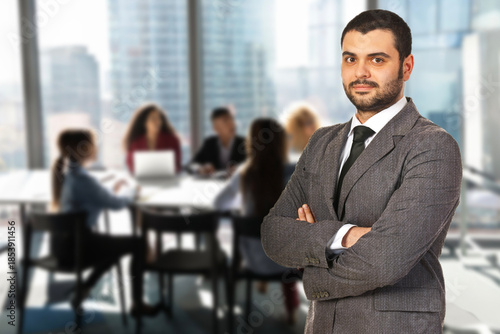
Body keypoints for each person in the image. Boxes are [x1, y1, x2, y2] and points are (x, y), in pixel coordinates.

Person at [261, 9, 462, 334]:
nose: (361, 72)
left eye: (377, 60)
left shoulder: (432, 146)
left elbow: (385, 259)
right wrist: (349, 235)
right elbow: (273, 233)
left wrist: (313, 266)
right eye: (350, 59)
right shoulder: (322, 142)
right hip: (322, 325)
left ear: (406, 66)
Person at [51, 129, 157, 316]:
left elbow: (93, 195)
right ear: (84, 149)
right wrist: (132, 191)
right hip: (77, 248)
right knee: (138, 243)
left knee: (114, 247)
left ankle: (84, 288)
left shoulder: (69, 174)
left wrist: (109, 190)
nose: (96, 147)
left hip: (61, 246)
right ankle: (137, 303)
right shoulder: (82, 179)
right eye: (93, 143)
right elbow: (116, 204)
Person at [214, 118, 300, 325]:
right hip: (287, 265)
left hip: (252, 261)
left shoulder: (243, 175)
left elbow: (219, 204)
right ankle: (292, 313)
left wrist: (243, 207)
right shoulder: (296, 174)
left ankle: (259, 283)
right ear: (282, 143)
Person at [124, 103, 182, 174]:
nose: (158, 122)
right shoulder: (135, 142)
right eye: (153, 118)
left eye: (159, 118)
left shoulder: (172, 140)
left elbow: (177, 165)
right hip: (142, 181)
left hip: (166, 181)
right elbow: (131, 165)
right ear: (144, 122)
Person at [189, 107, 246, 176]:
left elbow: (255, 167)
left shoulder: (244, 143)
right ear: (215, 128)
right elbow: (191, 165)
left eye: (232, 119)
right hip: (212, 185)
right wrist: (200, 169)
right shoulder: (209, 143)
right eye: (225, 121)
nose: (232, 124)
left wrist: (240, 169)